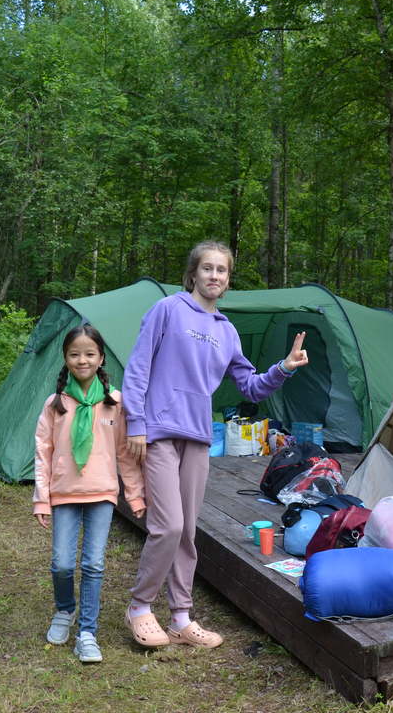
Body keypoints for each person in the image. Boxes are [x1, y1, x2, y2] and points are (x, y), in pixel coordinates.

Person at [122, 240, 309, 649]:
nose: (214, 276)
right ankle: (139, 606)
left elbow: (251, 386)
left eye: (221, 271)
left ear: (227, 281)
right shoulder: (168, 310)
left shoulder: (226, 331)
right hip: (158, 432)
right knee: (167, 525)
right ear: (193, 273)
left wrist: (284, 368)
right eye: (207, 268)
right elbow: (137, 368)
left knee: (188, 530)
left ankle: (181, 618)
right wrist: (135, 423)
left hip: (199, 437)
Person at [33, 325, 146, 664]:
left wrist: (136, 495)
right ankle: (64, 610)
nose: (82, 360)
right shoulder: (55, 404)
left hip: (102, 494)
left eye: (89, 354)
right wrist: (41, 497)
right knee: (63, 564)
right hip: (63, 493)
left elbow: (126, 454)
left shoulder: (114, 401)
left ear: (100, 359)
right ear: (66, 359)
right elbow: (43, 452)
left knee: (93, 564)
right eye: (74, 354)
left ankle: (87, 632)